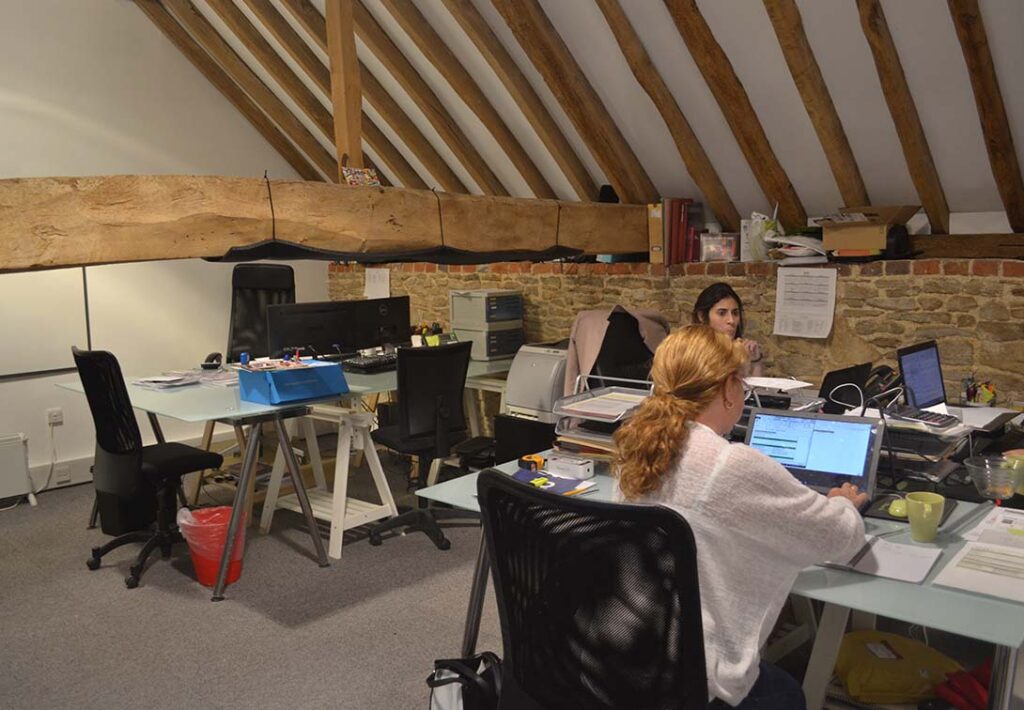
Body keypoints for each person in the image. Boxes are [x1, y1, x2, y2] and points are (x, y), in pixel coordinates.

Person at [613, 325, 868, 709]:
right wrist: (844, 503)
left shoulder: (636, 450)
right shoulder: (730, 464)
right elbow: (841, 539)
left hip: (622, 651)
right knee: (789, 695)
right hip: (691, 675)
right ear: (728, 389)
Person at [691, 282, 764, 377]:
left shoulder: (737, 348)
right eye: (722, 313)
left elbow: (756, 386)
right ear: (701, 316)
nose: (731, 320)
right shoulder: (691, 352)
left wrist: (755, 361)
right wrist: (742, 368)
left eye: (735, 313)